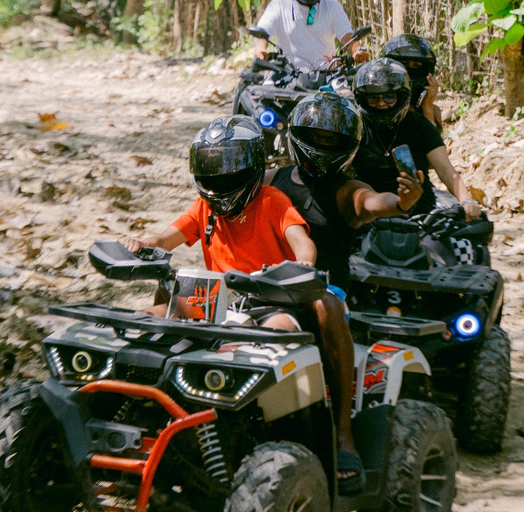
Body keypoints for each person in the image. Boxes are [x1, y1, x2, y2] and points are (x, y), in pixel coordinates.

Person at [264, 91, 424, 495]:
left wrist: (401, 201)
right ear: (296, 135)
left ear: (348, 146)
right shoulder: (271, 180)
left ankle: (342, 432)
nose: (322, 145)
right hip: (264, 287)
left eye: (332, 139)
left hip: (321, 290)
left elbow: (371, 203)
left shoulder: (346, 190)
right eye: (315, 136)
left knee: (326, 305)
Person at [122, 115, 316, 331]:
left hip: (273, 300)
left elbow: (301, 241)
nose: (219, 177)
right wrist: (141, 245)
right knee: (143, 320)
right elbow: (163, 240)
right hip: (215, 300)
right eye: (211, 172)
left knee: (276, 330)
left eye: (228, 172)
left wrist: (304, 263)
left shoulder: (272, 200)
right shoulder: (203, 206)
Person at [351, 58, 482, 220]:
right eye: (373, 99)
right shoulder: (355, 128)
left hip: (421, 213)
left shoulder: (419, 124)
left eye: (389, 97)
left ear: (401, 96)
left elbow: (445, 169)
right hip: (370, 213)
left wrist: (467, 200)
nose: (381, 103)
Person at [253, 0, 368, 70]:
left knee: (348, 99)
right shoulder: (279, 4)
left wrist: (357, 50)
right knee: (263, 98)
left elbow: (347, 36)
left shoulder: (332, 6)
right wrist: (261, 50)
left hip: (327, 76)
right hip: (286, 74)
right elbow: (262, 33)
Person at [382, 33, 443, 132]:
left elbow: (433, 140)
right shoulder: (380, 103)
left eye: (416, 65)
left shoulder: (433, 111)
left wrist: (427, 107)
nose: (410, 70)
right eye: (404, 64)